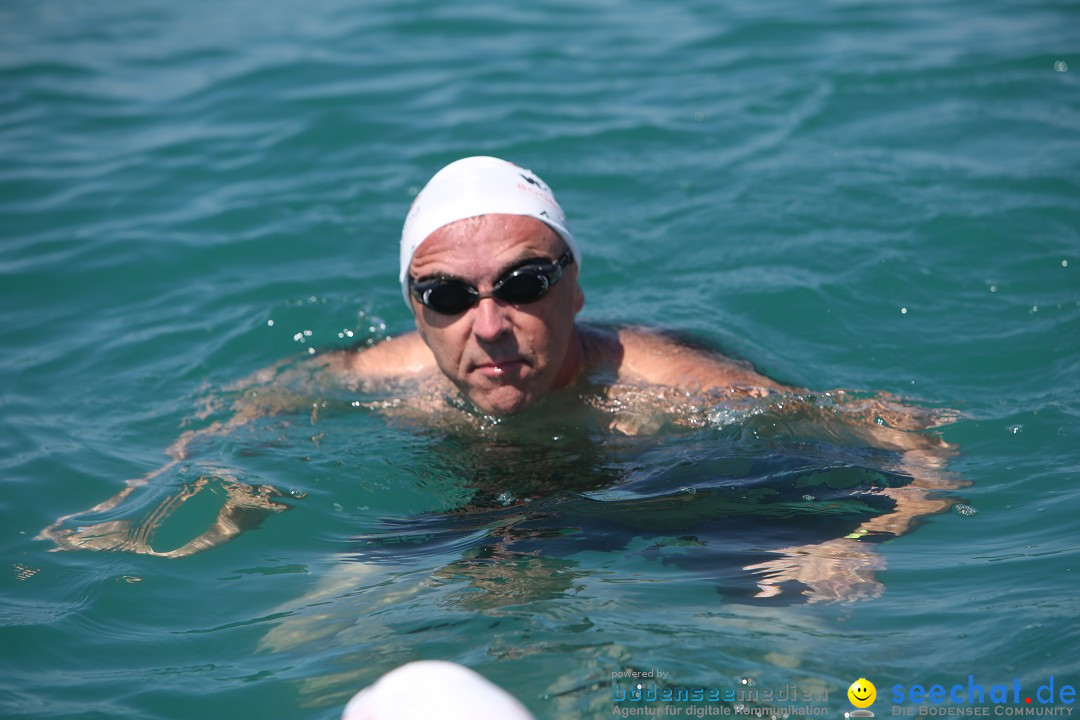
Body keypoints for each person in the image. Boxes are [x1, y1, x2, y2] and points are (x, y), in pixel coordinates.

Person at [39, 156, 959, 601]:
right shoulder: (378, 375)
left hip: (666, 491)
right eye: (445, 296)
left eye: (523, 285)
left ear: (576, 289)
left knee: (786, 612)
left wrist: (867, 534)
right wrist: (160, 504)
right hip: (496, 502)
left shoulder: (673, 385)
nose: (488, 325)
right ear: (414, 312)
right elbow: (245, 410)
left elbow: (907, 432)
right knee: (329, 619)